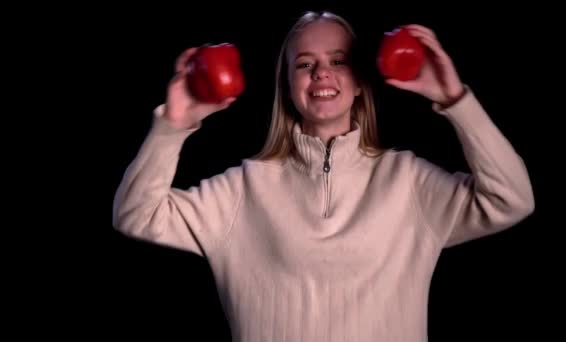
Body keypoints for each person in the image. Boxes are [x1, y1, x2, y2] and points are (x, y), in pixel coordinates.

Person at [113, 10, 535, 341]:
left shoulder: (408, 182)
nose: (321, 73)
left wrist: (454, 99)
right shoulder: (242, 190)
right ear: (289, 86)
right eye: (304, 64)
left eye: (338, 61)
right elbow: (136, 215)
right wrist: (173, 124)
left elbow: (512, 199)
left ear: (359, 83)